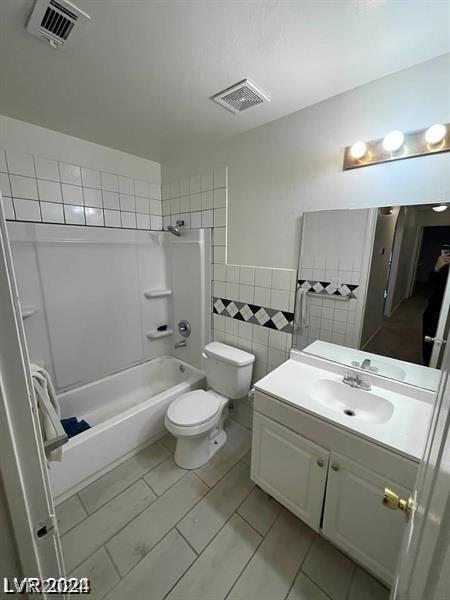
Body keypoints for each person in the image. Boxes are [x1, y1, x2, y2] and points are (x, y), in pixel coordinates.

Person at [422, 252, 450, 365]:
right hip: (433, 310)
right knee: (428, 343)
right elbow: (432, 287)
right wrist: (437, 268)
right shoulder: (445, 267)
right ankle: (427, 365)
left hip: (444, 315)